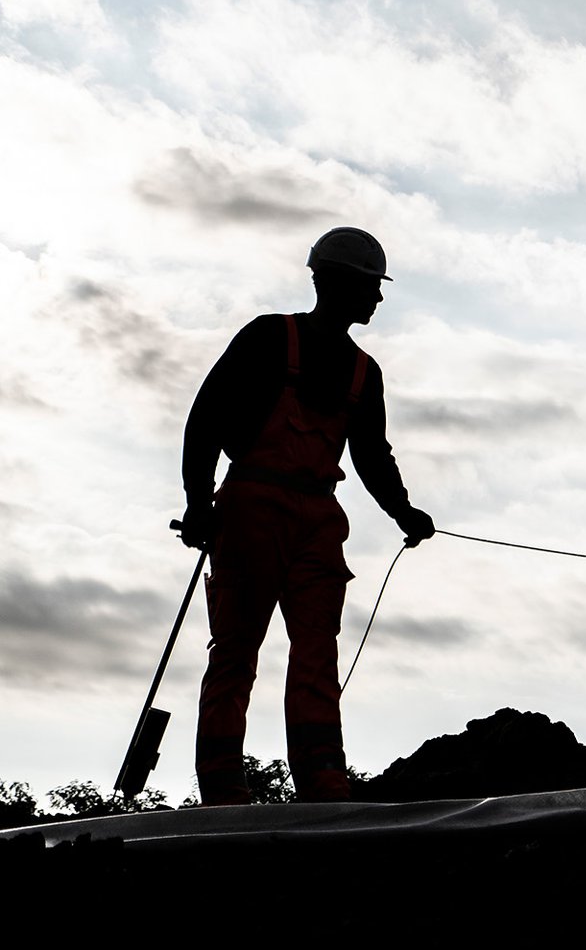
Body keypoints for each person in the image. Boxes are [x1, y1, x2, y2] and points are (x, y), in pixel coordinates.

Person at [178, 226, 435, 804]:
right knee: (238, 648)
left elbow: (372, 454)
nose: (378, 298)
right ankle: (222, 782)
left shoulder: (364, 373)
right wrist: (198, 502)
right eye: (371, 286)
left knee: (317, 648)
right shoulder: (270, 338)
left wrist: (403, 512)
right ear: (337, 283)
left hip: (318, 518)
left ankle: (322, 775)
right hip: (251, 507)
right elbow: (207, 420)